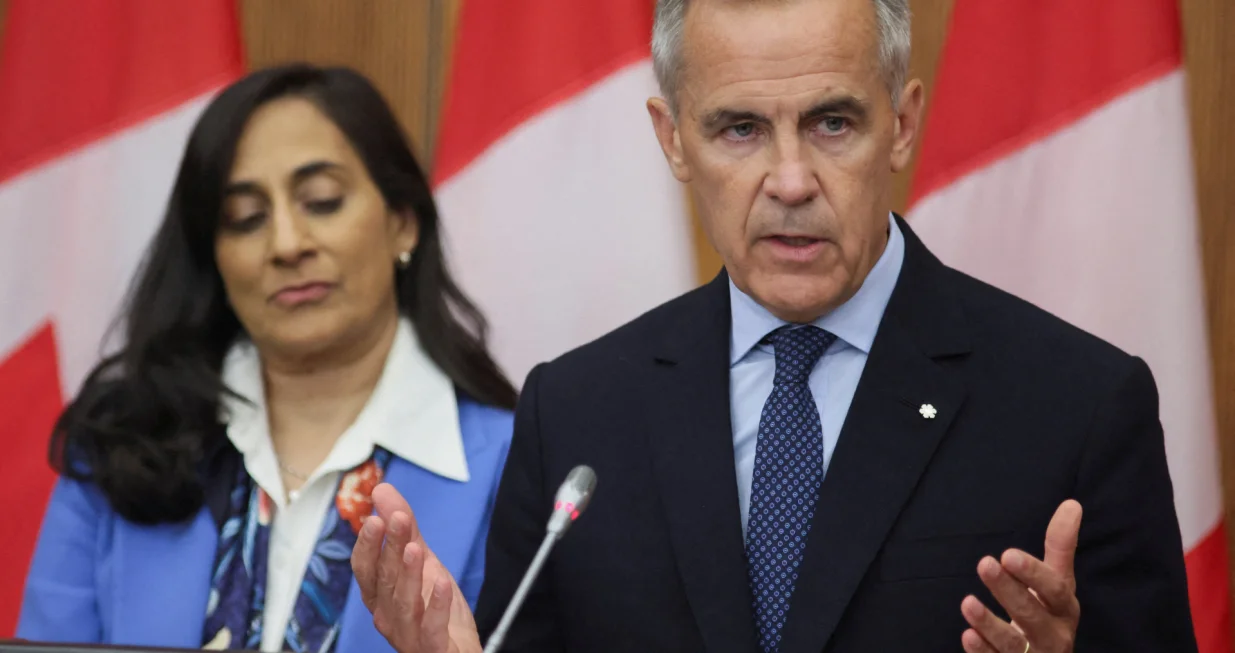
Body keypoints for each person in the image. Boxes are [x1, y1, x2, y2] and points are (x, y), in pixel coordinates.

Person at [350, 0, 1200, 651]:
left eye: (832, 123)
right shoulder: (574, 412)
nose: (789, 180)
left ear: (900, 124)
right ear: (673, 139)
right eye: (740, 129)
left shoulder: (1076, 405)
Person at [17, 63, 517, 653]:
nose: (286, 244)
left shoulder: (513, 468)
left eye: (322, 201)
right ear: (215, 257)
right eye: (246, 218)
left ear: (402, 224)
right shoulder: (122, 443)